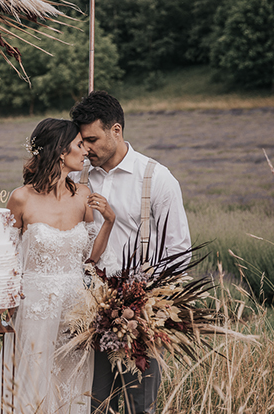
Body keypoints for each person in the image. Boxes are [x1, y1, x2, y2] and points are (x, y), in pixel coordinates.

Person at [69, 91, 192, 414]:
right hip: (86, 315)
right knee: (92, 404)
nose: (87, 149)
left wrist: (147, 306)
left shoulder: (157, 179)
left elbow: (179, 253)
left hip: (138, 317)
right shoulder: (74, 177)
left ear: (116, 131)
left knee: (140, 407)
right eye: (82, 141)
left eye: (92, 139)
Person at [0, 118, 115, 414]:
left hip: (75, 308)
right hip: (34, 307)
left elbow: (90, 259)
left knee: (72, 384)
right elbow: (3, 256)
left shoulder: (84, 195)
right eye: (79, 144)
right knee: (33, 381)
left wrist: (110, 219)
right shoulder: (21, 198)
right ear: (60, 151)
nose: (85, 152)